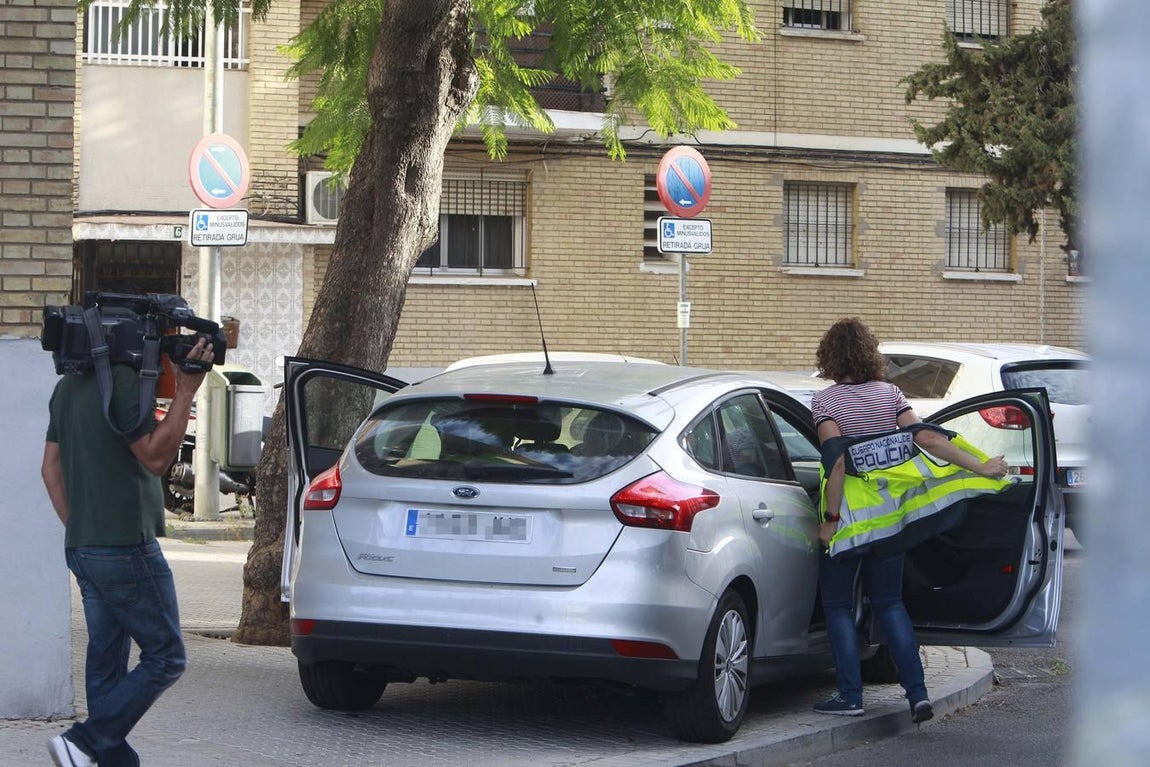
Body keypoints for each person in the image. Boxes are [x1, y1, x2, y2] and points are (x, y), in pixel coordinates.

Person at [809, 318, 1007, 723]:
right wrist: (981, 466)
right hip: (890, 522)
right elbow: (928, 438)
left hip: (849, 520)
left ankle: (850, 696)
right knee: (889, 603)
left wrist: (830, 519)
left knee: (838, 607)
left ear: (829, 357)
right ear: (869, 353)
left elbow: (838, 460)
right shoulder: (891, 394)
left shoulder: (825, 403)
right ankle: (917, 695)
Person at [41, 337, 215, 767]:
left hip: (84, 545)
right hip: (124, 545)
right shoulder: (120, 383)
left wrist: (83, 529)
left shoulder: (68, 385)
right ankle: (84, 740)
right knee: (166, 656)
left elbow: (50, 472)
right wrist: (187, 391)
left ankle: (105, 758)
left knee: (106, 658)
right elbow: (156, 458)